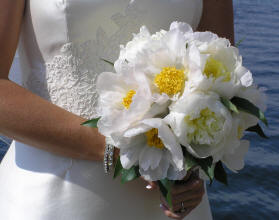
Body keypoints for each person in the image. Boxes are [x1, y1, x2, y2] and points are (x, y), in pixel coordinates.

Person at [0, 0, 234, 219]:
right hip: (55, 196)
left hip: (172, 199)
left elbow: (222, 74)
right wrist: (121, 148)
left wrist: (195, 168)